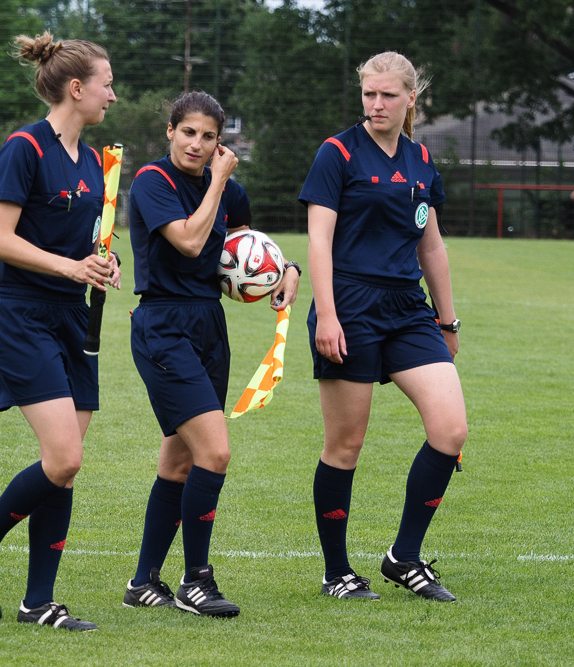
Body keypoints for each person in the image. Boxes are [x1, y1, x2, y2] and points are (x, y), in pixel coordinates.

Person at [0, 31, 118, 632]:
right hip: (20, 316)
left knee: (64, 465)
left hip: (73, 319)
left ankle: (38, 602)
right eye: (106, 84)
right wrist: (70, 267)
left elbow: (84, 243)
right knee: (65, 455)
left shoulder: (94, 162)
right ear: (76, 88)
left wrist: (102, 262)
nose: (113, 95)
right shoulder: (23, 148)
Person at [124, 90, 300, 618]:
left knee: (180, 460)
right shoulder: (152, 181)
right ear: (170, 131)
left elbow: (247, 247)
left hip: (208, 325)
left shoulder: (230, 191)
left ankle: (143, 582)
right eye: (188, 132)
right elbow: (190, 241)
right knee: (215, 453)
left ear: (220, 141)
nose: (196, 145)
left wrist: (286, 270)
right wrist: (218, 181)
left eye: (208, 137)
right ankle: (196, 581)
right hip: (163, 325)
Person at [298, 51, 467, 602]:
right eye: (369, 94)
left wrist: (447, 319)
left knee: (450, 431)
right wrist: (327, 314)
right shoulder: (338, 152)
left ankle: (404, 557)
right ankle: (337, 572)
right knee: (346, 445)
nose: (376, 104)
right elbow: (319, 240)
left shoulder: (421, 159)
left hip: (408, 309)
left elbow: (431, 245)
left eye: (388, 95)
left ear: (410, 99)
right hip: (349, 304)